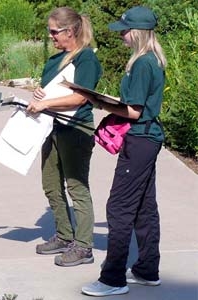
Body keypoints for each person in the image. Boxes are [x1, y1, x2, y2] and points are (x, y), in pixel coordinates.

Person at [81, 6, 166, 297]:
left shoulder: (143, 64)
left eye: (125, 31)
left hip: (140, 139)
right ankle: (146, 270)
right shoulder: (151, 60)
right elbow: (137, 104)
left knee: (119, 208)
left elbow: (134, 110)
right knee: (144, 206)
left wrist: (100, 102)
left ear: (138, 33)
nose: (122, 36)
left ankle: (113, 278)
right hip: (147, 138)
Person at [26, 7, 102, 267]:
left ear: (70, 31)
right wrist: (39, 95)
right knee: (50, 184)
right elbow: (51, 92)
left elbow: (81, 97)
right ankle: (63, 234)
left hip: (76, 129)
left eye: (54, 31)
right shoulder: (55, 60)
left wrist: (46, 104)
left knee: (77, 187)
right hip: (52, 127)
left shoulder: (86, 60)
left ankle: (83, 247)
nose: (51, 36)